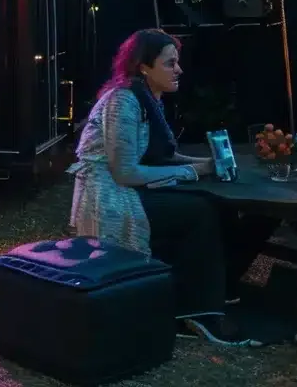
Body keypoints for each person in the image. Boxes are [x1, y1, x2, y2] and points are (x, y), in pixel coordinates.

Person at [68, 29, 256, 346]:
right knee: (199, 212)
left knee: (214, 203)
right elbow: (124, 171)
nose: (178, 69)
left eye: (177, 62)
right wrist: (190, 171)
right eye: (170, 63)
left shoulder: (147, 98)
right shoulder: (123, 101)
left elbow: (160, 156)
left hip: (129, 186)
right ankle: (196, 313)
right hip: (109, 195)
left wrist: (204, 165)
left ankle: (221, 288)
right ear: (144, 66)